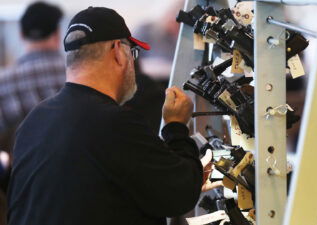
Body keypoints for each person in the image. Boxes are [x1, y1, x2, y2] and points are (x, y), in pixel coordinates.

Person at [7, 6, 207, 225]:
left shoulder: (34, 121)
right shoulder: (114, 123)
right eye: (133, 52)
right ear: (118, 52)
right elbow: (180, 194)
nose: (134, 62)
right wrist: (176, 126)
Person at [0, 1, 65, 154]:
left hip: (22, 172)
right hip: (77, 169)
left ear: (21, 35)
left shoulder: (5, 81)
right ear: (57, 34)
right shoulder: (78, 74)